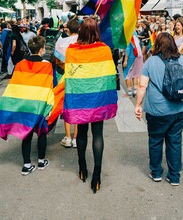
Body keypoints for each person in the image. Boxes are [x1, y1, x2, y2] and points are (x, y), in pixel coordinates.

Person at [62, 17, 118, 193]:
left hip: (79, 98)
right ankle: (97, 175)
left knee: (82, 132)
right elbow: (110, 77)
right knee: (98, 134)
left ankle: (82, 167)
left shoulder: (71, 51)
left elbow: (69, 76)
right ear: (97, 31)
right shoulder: (104, 50)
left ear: (81, 31)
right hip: (98, 99)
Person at [134, 32, 183, 186]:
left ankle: (156, 172)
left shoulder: (151, 62)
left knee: (155, 140)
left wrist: (138, 105)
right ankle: (174, 176)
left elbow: (142, 85)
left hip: (157, 109)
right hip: (179, 108)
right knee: (175, 141)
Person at [0, 36, 56, 175]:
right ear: (41, 49)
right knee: (41, 133)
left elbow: (15, 85)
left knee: (26, 134)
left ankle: (26, 165)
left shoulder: (20, 64)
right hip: (39, 104)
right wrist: (49, 106)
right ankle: (41, 161)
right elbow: (49, 86)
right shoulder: (47, 65)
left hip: (24, 104)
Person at [53, 18, 79, 148]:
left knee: (67, 107)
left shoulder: (61, 42)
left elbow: (57, 61)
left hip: (64, 77)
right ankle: (76, 138)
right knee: (78, 107)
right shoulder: (82, 43)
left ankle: (68, 137)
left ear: (68, 29)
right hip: (78, 78)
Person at [122, 31, 143, 97]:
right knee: (135, 74)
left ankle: (129, 92)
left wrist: (125, 61)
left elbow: (127, 50)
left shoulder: (128, 38)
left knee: (127, 73)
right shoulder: (136, 37)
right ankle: (135, 91)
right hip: (139, 57)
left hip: (131, 57)